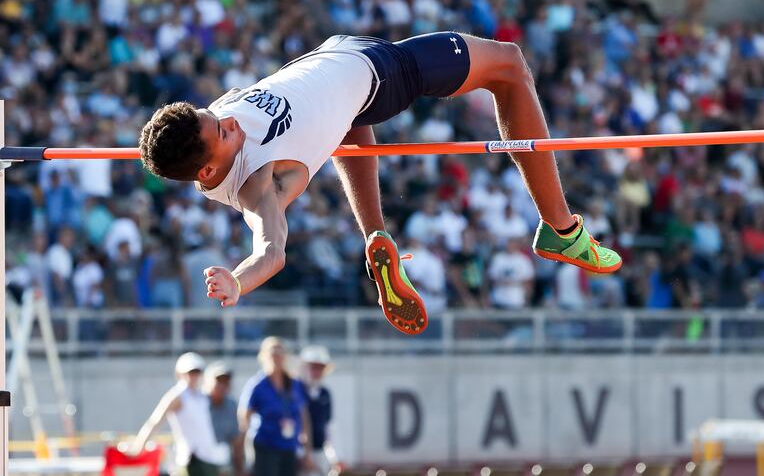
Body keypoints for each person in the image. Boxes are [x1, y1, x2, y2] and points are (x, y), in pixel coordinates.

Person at [138, 31, 622, 335]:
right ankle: (560, 230)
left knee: (344, 125)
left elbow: (181, 137)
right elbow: (271, 249)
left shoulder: (205, 133)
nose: (229, 121)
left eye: (215, 116)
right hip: (381, 74)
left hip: (336, 66)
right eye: (223, 131)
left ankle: (376, 236)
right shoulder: (257, 183)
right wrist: (238, 282)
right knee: (510, 65)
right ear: (207, 172)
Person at [132, 352, 230, 476]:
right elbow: (155, 420)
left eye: (197, 372)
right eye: (190, 372)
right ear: (180, 374)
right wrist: (138, 447)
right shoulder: (178, 395)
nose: (193, 376)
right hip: (191, 459)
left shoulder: (201, 396)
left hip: (209, 458)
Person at [242, 337, 313, 476]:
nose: (277, 358)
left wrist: (307, 450)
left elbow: (303, 415)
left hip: (289, 446)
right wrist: (244, 450)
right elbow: (244, 416)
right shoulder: (258, 385)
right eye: (273, 354)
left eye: (280, 354)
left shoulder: (294, 384)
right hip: (266, 445)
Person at [298, 345, 341, 476]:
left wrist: (335, 457)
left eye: (320, 368)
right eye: (313, 367)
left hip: (319, 452)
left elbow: (329, 426)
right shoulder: (296, 390)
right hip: (298, 453)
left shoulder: (325, 393)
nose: (316, 372)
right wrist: (304, 454)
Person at [205, 361, 245, 476]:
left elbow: (236, 441)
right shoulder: (199, 403)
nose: (222, 386)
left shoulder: (232, 405)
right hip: (200, 461)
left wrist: (240, 468)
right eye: (218, 381)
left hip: (223, 462)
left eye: (226, 382)